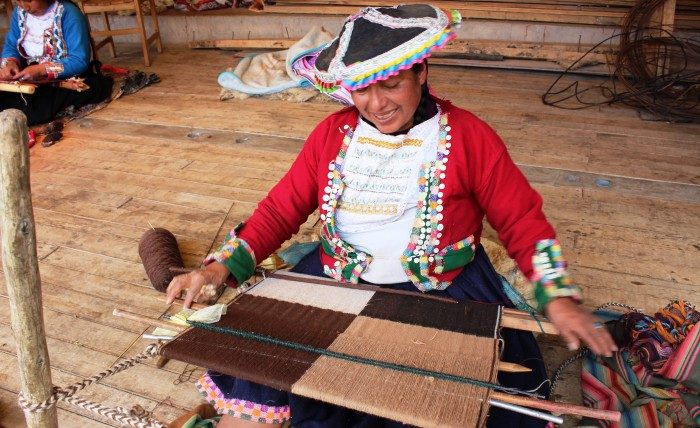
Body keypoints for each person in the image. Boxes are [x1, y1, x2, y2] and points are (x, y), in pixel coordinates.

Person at [166, 4, 617, 427]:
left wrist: (557, 295)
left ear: (421, 71)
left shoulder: (470, 137)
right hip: (335, 282)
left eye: (390, 84)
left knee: (444, 401)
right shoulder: (331, 134)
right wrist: (217, 269)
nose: (376, 104)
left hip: (446, 291)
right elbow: (282, 209)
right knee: (261, 370)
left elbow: (522, 220)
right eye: (361, 87)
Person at [0, 0, 113, 126]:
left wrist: (42, 69)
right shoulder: (19, 13)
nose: (24, 6)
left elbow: (79, 60)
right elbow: (11, 45)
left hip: (64, 76)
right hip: (28, 75)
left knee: (33, 109)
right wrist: (10, 63)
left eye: (28, 0)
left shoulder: (69, 14)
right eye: (18, 0)